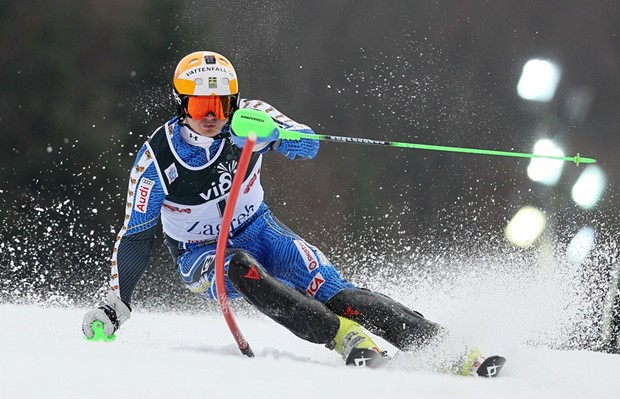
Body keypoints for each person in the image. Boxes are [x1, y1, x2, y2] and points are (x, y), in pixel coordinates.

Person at [82, 51, 484, 372]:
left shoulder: (252, 117)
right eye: (200, 104)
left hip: (261, 229)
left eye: (221, 105)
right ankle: (342, 336)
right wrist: (118, 303)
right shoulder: (157, 159)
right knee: (239, 266)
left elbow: (309, 144)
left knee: (336, 291)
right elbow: (135, 235)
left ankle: (444, 347)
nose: (210, 116)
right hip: (200, 253)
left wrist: (275, 138)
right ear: (180, 104)